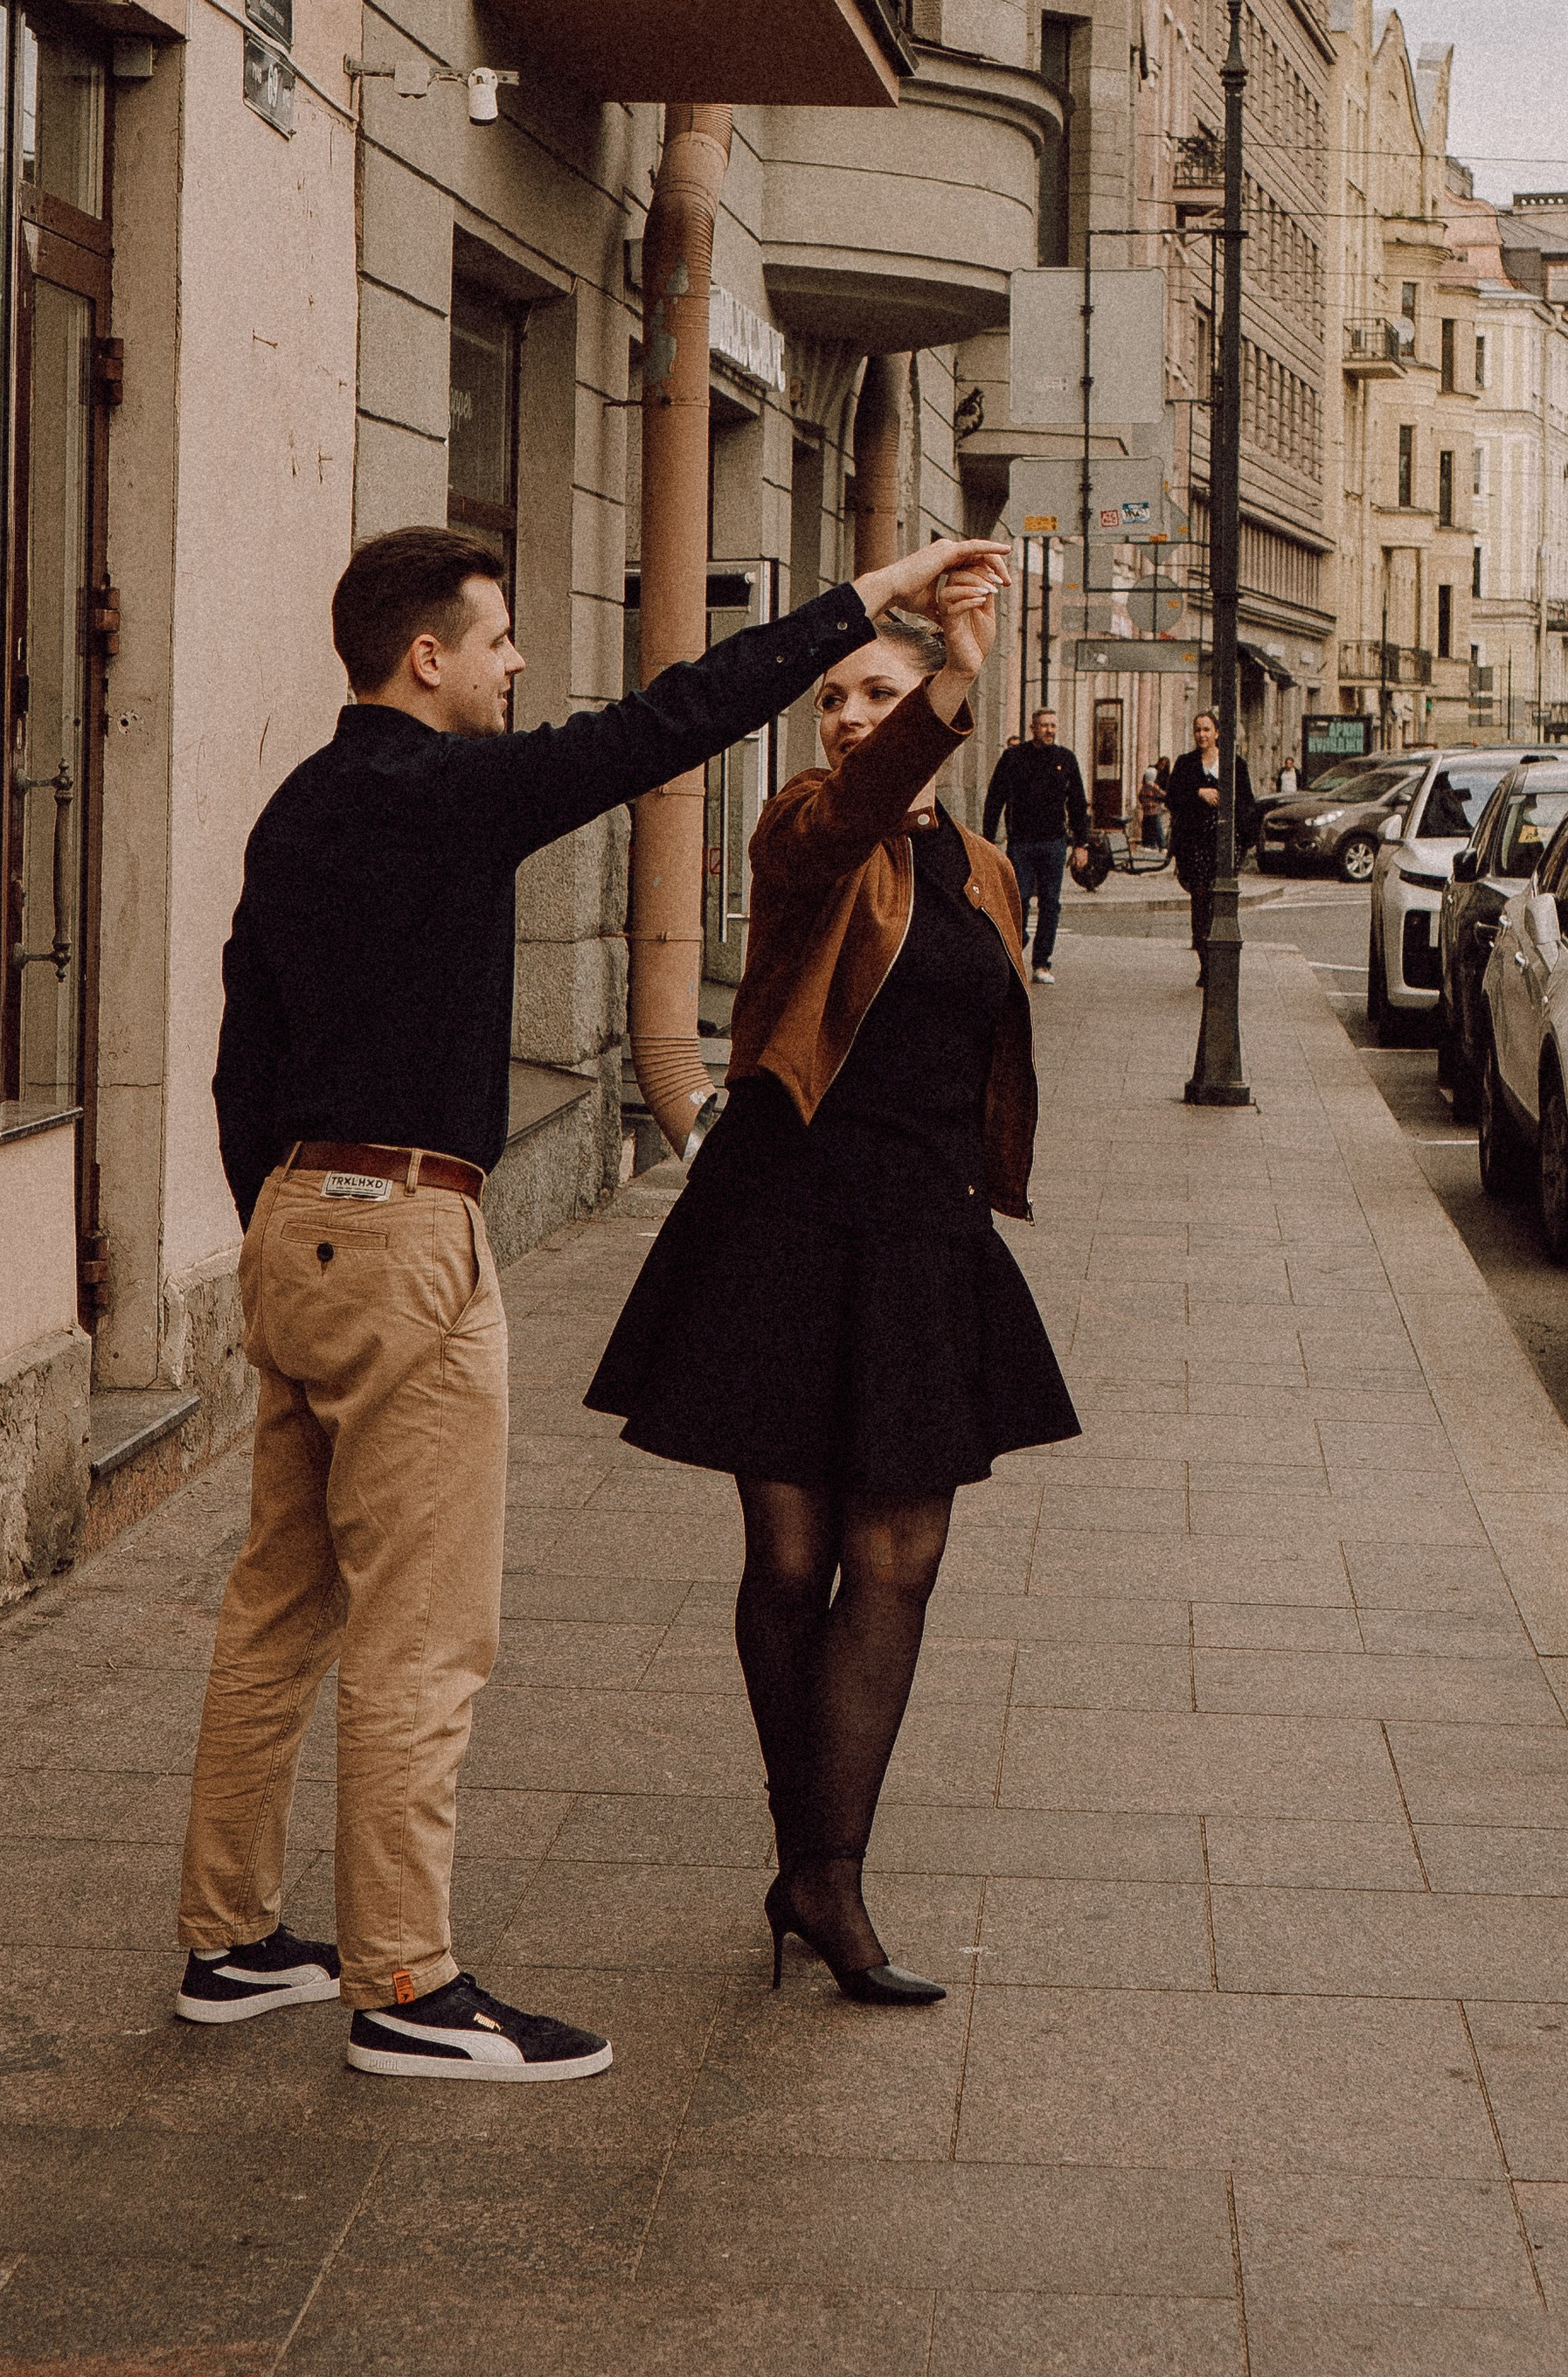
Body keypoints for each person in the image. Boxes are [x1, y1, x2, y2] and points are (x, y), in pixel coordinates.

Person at [177, 520, 1003, 2086]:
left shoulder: (301, 804)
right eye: (497, 641)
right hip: (405, 1223)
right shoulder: (453, 791)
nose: (514, 666)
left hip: (296, 1220)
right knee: (426, 1635)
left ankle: (229, 1940)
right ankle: (406, 1985)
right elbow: (672, 721)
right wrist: (878, 594)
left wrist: (279, 1225)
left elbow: (242, 1036)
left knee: (279, 1601)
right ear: (427, 656)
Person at [585, 559, 1079, 2005]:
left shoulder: (983, 870)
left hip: (923, 1238)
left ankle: (820, 1869)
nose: (851, 719)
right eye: (836, 701)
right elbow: (855, 807)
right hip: (789, 1224)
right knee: (791, 1563)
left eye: (877, 693)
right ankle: (823, 1873)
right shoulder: (804, 829)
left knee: (899, 1560)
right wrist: (953, 679)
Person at [982, 705, 1090, 980]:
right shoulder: (1013, 757)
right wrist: (988, 840)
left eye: (1053, 725)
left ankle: (1042, 964)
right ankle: (1015, 951)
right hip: (1021, 843)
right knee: (1017, 900)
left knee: (1050, 903)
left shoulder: (1066, 759)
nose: (1049, 730)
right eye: (1044, 725)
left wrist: (1081, 844)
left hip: (1054, 842)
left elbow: (1078, 803)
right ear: (1033, 728)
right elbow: (995, 798)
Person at [1164, 708, 1258, 979]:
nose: (1202, 734)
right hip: (1194, 844)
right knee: (1200, 899)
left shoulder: (1235, 764)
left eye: (1207, 729)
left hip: (1224, 845)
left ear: (1217, 732)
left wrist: (1244, 840)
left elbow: (1247, 803)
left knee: (1221, 903)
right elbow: (1173, 798)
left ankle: (1219, 964)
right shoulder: (1185, 763)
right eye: (1198, 730)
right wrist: (1198, 793)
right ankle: (1205, 963)